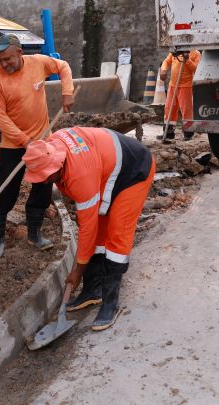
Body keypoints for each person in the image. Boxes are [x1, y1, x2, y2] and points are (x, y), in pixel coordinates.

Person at [22, 126, 155, 331]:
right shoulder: (50, 146)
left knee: (117, 232)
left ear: (56, 163)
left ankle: (110, 303)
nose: (45, 180)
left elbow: (87, 228)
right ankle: (93, 291)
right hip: (106, 169)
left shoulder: (79, 175)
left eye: (46, 175)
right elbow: (91, 226)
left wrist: (77, 271)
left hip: (134, 169)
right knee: (99, 229)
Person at [0, 34, 75, 260]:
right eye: (0, 60)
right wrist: (25, 141)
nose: (3, 64)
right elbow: (0, 118)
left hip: (43, 140)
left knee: (43, 187)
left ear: (19, 53)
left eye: (7, 59)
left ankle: (34, 234)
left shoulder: (38, 63)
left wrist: (67, 92)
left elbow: (63, 66)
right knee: (6, 188)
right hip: (13, 144)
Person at [159, 49, 201, 140]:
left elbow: (196, 69)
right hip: (172, 85)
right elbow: (166, 61)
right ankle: (168, 132)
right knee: (169, 108)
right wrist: (163, 70)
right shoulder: (176, 51)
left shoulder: (196, 53)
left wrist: (187, 60)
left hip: (186, 86)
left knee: (186, 110)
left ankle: (188, 134)